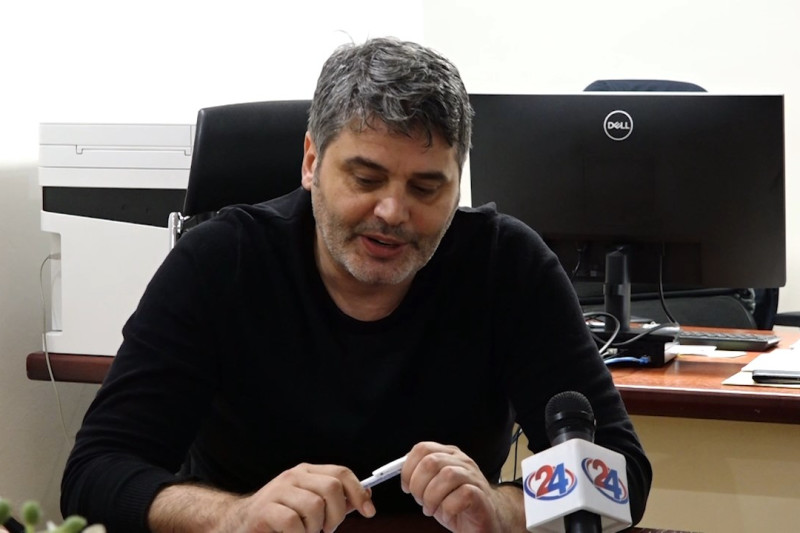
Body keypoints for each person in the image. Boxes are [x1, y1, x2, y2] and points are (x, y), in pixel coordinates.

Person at [61, 37, 652, 532]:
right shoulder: (221, 261)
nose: (393, 212)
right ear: (311, 161)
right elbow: (94, 473)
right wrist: (233, 516)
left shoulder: (508, 266)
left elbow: (622, 473)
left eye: (426, 188)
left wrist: (499, 508)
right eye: (366, 178)